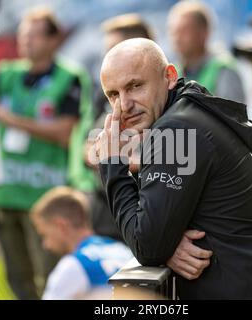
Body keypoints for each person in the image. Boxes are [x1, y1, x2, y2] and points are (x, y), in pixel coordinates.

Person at [94, 38, 252, 299]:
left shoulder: (174, 130)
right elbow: (161, 228)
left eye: (135, 86)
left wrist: (111, 164)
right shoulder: (190, 110)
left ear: (170, 77)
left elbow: (147, 245)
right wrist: (167, 241)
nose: (125, 105)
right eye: (114, 95)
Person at [0, 8, 94, 299]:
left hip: (46, 198)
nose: (26, 41)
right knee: (16, 280)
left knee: (51, 280)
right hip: (6, 193)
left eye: (33, 35)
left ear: (53, 39)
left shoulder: (69, 77)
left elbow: (64, 132)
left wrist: (10, 119)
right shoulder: (5, 75)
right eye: (23, 35)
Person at [86, 13, 155, 242]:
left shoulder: (158, 99)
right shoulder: (104, 93)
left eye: (116, 49)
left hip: (144, 212)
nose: (109, 58)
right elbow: (89, 148)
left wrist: (114, 156)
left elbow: (170, 156)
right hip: (105, 208)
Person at [31, 186, 133, 300]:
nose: (46, 244)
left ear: (61, 225)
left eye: (45, 235)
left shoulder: (73, 266)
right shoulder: (124, 251)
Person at [167, 0, 245, 103]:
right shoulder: (173, 72)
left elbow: (232, 116)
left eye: (184, 30)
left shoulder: (224, 69)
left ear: (204, 32)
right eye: (174, 31)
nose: (177, 38)